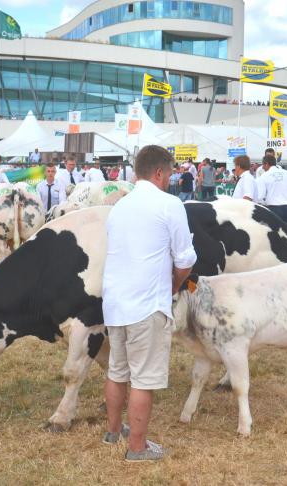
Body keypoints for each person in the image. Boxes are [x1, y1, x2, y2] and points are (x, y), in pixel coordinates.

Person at [101, 145, 197, 461]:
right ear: (158, 173)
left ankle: (113, 432)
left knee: (117, 370)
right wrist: (173, 284)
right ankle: (137, 448)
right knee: (143, 378)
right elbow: (185, 259)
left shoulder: (119, 206)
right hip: (146, 304)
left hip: (115, 302)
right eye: (169, 173)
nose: (170, 179)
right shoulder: (169, 205)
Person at [257, 155, 287, 224]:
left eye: (263, 165)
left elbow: (260, 197)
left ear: (266, 164)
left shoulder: (264, 176)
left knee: (275, 234)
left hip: (273, 209)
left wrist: (266, 203)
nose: (263, 167)